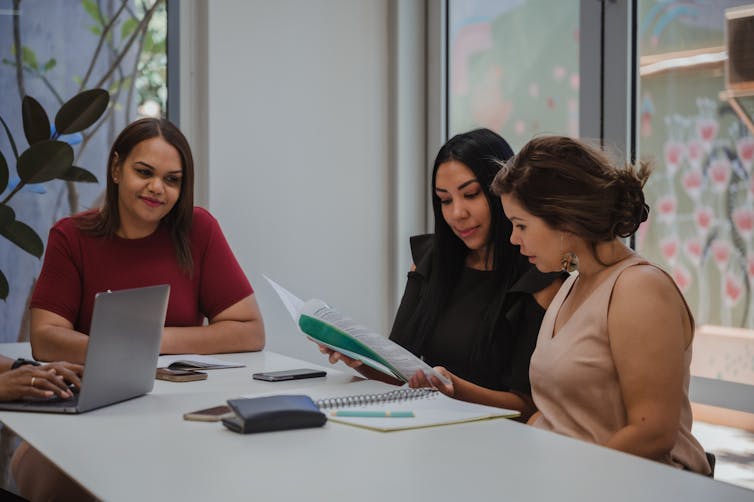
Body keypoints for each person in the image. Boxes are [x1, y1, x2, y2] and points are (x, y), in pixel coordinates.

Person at [483, 135, 711, 474]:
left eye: (521, 225)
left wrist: (567, 480)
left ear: (564, 220)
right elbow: (562, 416)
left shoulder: (639, 290)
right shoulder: (575, 284)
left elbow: (653, 434)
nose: (514, 239)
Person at [320, 129, 563, 420]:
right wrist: (358, 358)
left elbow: (529, 408)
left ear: (505, 193)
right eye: (445, 201)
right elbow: (400, 369)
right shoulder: (431, 261)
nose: (457, 213)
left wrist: (453, 389)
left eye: (471, 195)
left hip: (499, 441)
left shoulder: (540, 279)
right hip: (430, 427)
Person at [29, 117, 265, 364]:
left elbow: (250, 331)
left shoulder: (198, 229)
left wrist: (152, 341)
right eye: (144, 172)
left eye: (172, 179)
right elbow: (44, 339)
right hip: (99, 392)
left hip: (184, 392)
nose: (156, 187)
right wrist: (126, 351)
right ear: (116, 169)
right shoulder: (71, 237)